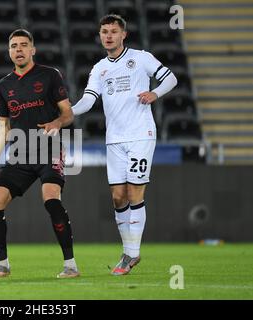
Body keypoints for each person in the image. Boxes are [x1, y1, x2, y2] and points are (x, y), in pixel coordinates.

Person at [72, 14, 177, 275]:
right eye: (104, 31)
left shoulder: (141, 58)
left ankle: (132, 253)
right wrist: (68, 112)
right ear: (100, 36)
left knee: (134, 193)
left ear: (123, 35)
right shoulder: (99, 68)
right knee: (118, 198)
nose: (108, 35)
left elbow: (171, 78)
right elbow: (88, 100)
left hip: (141, 134)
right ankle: (127, 250)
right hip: (114, 140)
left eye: (113, 31)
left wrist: (155, 93)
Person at [0, 29, 80, 279]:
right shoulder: (4, 85)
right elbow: (2, 128)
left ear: (32, 49)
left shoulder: (50, 75)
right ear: (9, 52)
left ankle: (71, 265)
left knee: (51, 198)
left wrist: (57, 123)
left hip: (49, 149)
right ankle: (3, 266)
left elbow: (68, 112)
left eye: (23, 45)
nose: (18, 50)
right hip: (20, 154)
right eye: (13, 46)